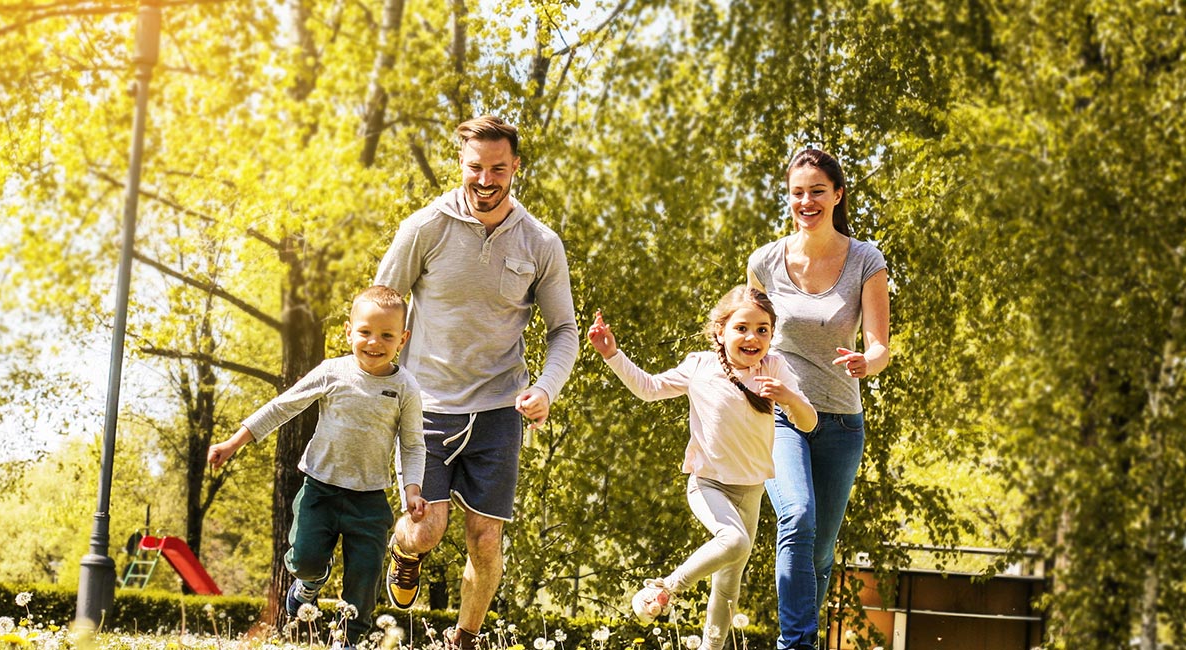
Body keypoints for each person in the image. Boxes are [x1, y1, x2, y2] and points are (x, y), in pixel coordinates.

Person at [373, 115, 580, 650]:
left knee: (486, 539)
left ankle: (463, 638)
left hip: (497, 409)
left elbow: (564, 332)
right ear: (460, 165)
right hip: (427, 405)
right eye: (475, 169)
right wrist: (377, 383)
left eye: (498, 169)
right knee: (426, 531)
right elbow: (381, 306)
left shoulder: (540, 243)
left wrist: (546, 388)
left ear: (515, 168)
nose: (486, 181)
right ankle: (405, 550)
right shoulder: (424, 228)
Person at [586, 286, 816, 650]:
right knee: (734, 540)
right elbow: (649, 388)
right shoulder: (700, 366)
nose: (752, 337)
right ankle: (665, 587)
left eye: (763, 329)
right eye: (742, 328)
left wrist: (787, 398)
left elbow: (808, 422)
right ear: (720, 331)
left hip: (751, 490)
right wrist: (612, 354)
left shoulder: (774, 368)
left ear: (772, 335)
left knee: (728, 583)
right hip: (708, 485)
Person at [205, 285, 428, 647]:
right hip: (320, 489)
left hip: (370, 498)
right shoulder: (332, 372)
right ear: (348, 331)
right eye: (365, 332)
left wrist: (412, 490)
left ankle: (350, 639)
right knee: (305, 559)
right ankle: (309, 583)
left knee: (365, 576)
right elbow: (283, 406)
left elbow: (413, 444)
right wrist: (234, 442)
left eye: (387, 335)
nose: (374, 342)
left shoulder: (406, 388)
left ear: (402, 339)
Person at [746, 147, 892, 650]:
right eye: (797, 192)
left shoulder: (865, 260)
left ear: (837, 195)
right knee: (798, 516)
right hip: (782, 411)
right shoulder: (764, 261)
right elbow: (748, 335)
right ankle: (798, 644)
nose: (806, 201)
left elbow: (879, 347)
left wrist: (865, 363)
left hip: (840, 423)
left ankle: (804, 638)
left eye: (817, 191)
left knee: (821, 552)